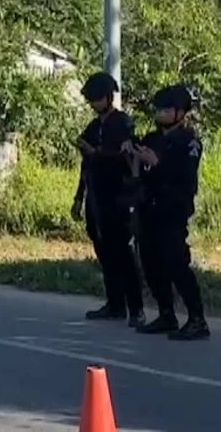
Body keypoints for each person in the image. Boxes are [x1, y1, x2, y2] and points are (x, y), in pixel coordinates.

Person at [128, 84, 210, 341]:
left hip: (173, 208)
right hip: (148, 207)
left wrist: (157, 164)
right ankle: (166, 313)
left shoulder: (189, 142)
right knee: (150, 262)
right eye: (158, 109)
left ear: (180, 113)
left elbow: (184, 176)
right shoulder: (152, 138)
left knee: (176, 263)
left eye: (166, 109)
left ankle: (197, 319)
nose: (160, 113)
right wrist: (133, 157)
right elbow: (138, 169)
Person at [72, 71, 144, 327]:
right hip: (97, 198)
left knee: (123, 253)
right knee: (105, 253)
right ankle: (115, 304)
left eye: (95, 98)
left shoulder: (123, 123)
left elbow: (128, 157)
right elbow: (85, 163)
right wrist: (79, 198)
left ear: (107, 97)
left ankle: (136, 308)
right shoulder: (93, 127)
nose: (92, 104)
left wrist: (98, 153)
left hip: (119, 197)